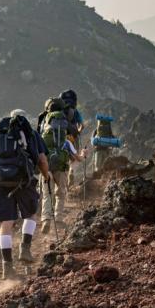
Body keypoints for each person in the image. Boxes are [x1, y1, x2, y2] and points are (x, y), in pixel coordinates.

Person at [0, 109, 50, 280]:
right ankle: (25, 248)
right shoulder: (31, 134)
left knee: (6, 224)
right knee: (30, 215)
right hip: (24, 180)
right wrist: (47, 176)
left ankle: (7, 267)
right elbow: (42, 160)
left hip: (2, 183)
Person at [40, 98, 87, 234]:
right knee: (60, 193)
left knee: (46, 194)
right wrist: (83, 154)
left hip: (46, 166)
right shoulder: (66, 140)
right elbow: (77, 158)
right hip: (61, 166)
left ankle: (46, 219)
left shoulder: (44, 125)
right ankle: (59, 218)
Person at [58, 89, 85, 189]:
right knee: (74, 158)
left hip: (61, 136)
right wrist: (78, 131)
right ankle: (71, 171)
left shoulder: (58, 112)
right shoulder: (75, 111)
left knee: (62, 157)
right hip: (72, 137)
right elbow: (82, 125)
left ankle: (63, 178)